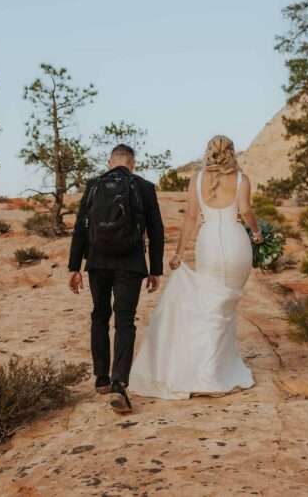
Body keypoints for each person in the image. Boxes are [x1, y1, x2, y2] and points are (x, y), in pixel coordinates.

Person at [129, 135, 262, 399]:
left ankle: (210, 369)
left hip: (209, 243)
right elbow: (245, 211)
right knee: (227, 305)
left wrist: (179, 253)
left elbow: (190, 217)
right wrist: (257, 233)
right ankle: (216, 370)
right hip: (237, 243)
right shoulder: (241, 179)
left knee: (211, 305)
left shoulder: (197, 180)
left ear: (209, 152)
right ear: (232, 153)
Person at [68, 143, 165, 413]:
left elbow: (80, 228)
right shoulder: (144, 186)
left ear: (110, 163)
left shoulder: (94, 184)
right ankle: (118, 383)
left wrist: (74, 266)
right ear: (133, 164)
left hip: (97, 261)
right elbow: (156, 230)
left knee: (99, 314)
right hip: (131, 263)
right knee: (125, 320)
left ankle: (100, 377)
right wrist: (155, 269)